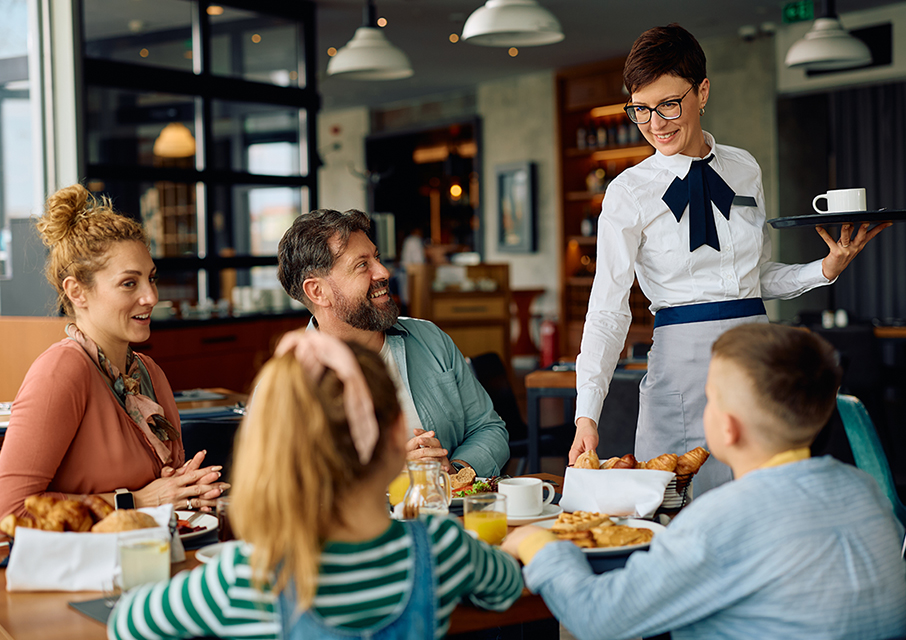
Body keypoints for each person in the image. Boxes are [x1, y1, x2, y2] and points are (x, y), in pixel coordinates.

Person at [570, 24, 890, 494]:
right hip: (680, 368)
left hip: (756, 362)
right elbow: (607, 310)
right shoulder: (628, 193)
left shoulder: (744, 168)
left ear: (702, 92)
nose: (655, 123)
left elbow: (753, 278)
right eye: (641, 109)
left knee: (762, 500)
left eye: (668, 104)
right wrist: (586, 412)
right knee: (675, 506)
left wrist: (824, 270)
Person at [504, 323, 906, 639]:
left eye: (710, 397)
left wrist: (539, 545)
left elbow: (599, 616)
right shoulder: (865, 492)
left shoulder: (722, 518)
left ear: (728, 428)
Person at [107, 331, 523, 640]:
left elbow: (127, 625)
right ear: (400, 435)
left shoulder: (239, 579)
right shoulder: (441, 548)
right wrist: (526, 544)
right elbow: (506, 587)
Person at [0, 184, 228, 518]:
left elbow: (165, 493)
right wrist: (137, 501)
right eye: (129, 283)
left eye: (151, 279)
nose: (151, 297)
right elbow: (10, 510)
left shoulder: (149, 373)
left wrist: (188, 489)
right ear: (77, 291)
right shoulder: (61, 371)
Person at [276, 209, 510, 476]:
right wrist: (389, 476)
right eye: (362, 265)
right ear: (317, 291)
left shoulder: (430, 339)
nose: (384, 271)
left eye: (376, 257)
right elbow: (287, 490)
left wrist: (455, 472)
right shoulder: (286, 384)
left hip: (453, 515)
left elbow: (489, 428)